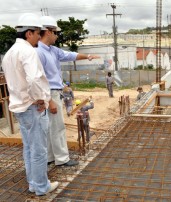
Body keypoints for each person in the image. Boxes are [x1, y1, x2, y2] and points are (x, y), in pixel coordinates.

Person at [2, 13, 58, 196]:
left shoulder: (9, 53)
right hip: (32, 107)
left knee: (29, 148)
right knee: (39, 150)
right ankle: (42, 187)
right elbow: (34, 79)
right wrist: (41, 99)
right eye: (37, 33)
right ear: (28, 33)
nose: (38, 37)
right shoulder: (28, 51)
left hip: (19, 107)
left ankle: (34, 183)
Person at [36, 16, 100, 167]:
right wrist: (48, 100)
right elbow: (38, 78)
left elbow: (70, 55)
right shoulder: (39, 52)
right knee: (57, 127)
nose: (57, 36)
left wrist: (88, 56)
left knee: (51, 127)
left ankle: (50, 157)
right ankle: (62, 159)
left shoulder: (53, 50)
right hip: (49, 93)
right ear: (48, 32)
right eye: (55, 32)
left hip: (54, 93)